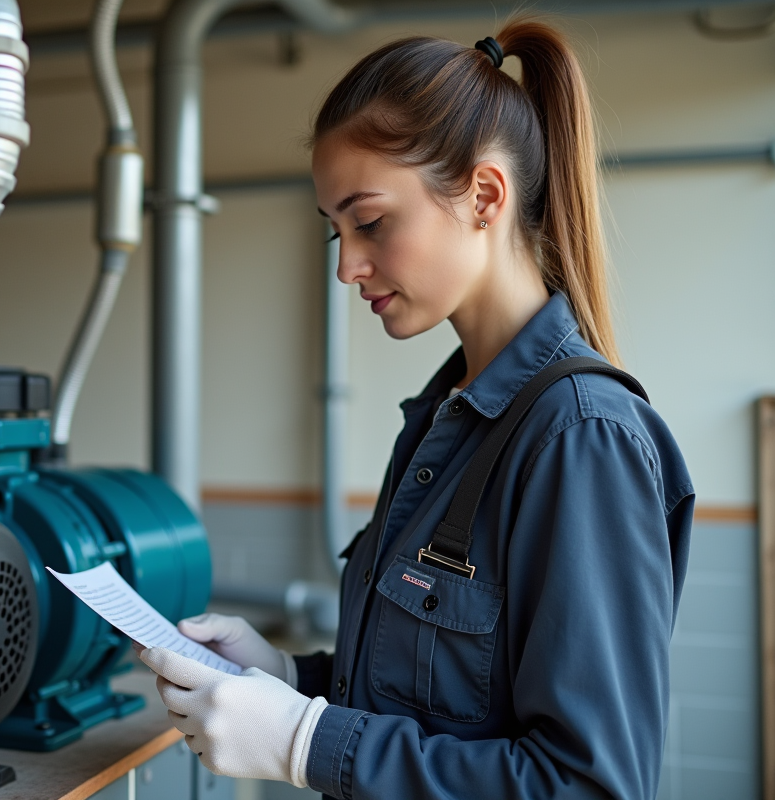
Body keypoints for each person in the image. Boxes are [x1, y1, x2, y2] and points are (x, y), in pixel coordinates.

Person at [139, 18, 694, 800]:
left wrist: (306, 741)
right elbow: (446, 701)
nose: (345, 266)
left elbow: (588, 786)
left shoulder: (581, 437)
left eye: (368, 222)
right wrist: (287, 679)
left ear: (484, 195)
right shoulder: (449, 418)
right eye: (334, 230)